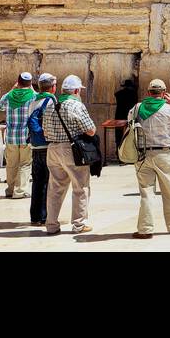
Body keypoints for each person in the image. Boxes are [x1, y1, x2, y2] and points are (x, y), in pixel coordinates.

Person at [128, 79, 170, 239]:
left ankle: (145, 229)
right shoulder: (169, 109)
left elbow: (130, 124)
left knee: (146, 193)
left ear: (148, 93)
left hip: (142, 155)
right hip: (164, 154)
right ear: (163, 93)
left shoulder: (136, 108)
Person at [43, 74, 96, 235]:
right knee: (80, 187)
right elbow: (91, 130)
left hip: (52, 149)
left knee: (55, 188)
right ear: (75, 90)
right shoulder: (76, 106)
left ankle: (51, 224)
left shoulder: (51, 105)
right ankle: (79, 224)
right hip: (71, 150)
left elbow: (45, 131)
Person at [0, 72, 38, 199]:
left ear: (18, 81)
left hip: (11, 136)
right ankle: (19, 191)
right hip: (26, 136)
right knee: (25, 164)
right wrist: (31, 88)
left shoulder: (9, 96)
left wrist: (12, 89)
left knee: (11, 163)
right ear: (30, 83)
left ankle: (10, 189)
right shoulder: (33, 96)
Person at [28, 74, 57, 226]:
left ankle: (34, 216)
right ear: (52, 87)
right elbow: (52, 121)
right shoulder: (51, 100)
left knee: (37, 182)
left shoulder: (33, 101)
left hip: (35, 145)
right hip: (47, 145)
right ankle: (45, 216)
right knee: (47, 182)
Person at [113, 78, 138, 149]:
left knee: (119, 135)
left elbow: (116, 94)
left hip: (119, 116)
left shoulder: (119, 94)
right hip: (130, 116)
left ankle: (118, 151)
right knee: (130, 135)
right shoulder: (134, 94)